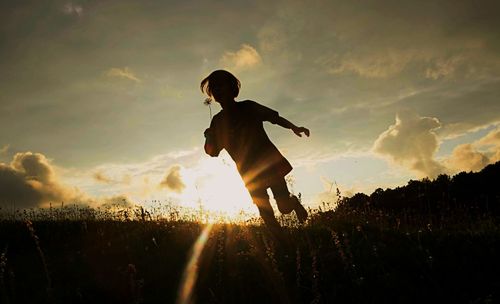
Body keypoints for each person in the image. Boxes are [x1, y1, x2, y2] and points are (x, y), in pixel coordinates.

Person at [200, 70, 309, 232]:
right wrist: (209, 135)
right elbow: (212, 152)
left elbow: (274, 117)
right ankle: (280, 243)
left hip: (269, 165)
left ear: (232, 88)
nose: (218, 90)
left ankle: (292, 202)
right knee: (266, 213)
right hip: (248, 172)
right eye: (214, 87)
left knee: (284, 208)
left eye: (221, 85)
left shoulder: (249, 106)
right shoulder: (218, 121)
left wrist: (293, 127)